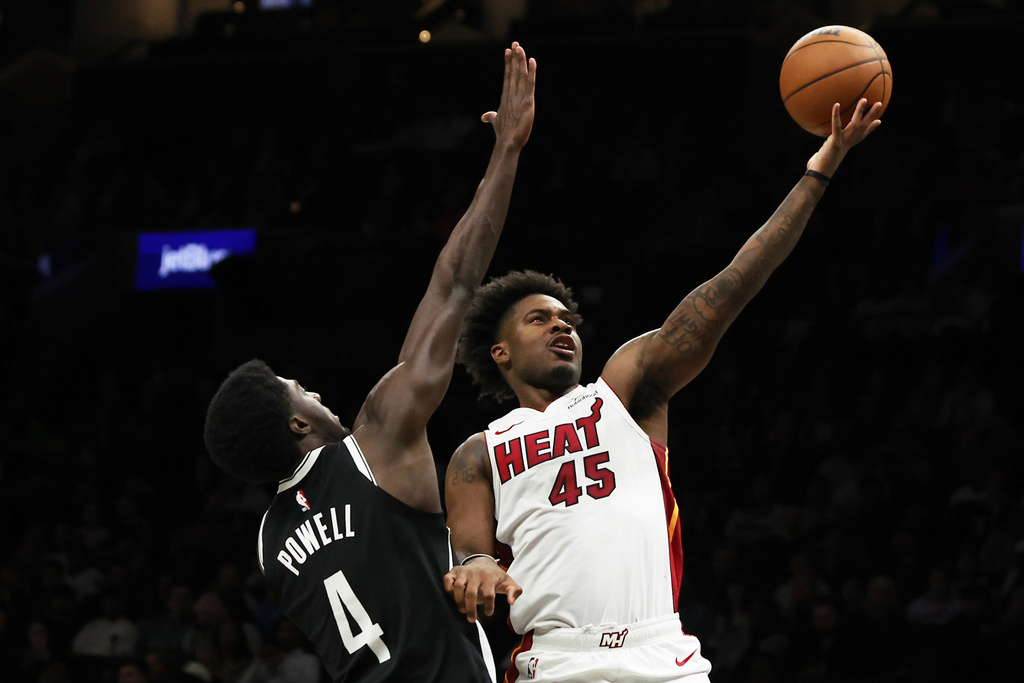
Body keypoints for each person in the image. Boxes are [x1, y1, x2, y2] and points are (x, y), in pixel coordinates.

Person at [443, 99, 884, 682]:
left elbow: (729, 287)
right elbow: (470, 552)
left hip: (660, 655)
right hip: (554, 660)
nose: (561, 326)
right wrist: (475, 567)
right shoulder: (478, 452)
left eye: (567, 319)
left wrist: (818, 171)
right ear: (499, 352)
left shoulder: (622, 393)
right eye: (539, 319)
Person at [202, 41, 535, 682]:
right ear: (297, 425)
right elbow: (455, 284)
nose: (314, 391)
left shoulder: (271, 547)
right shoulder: (373, 441)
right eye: (297, 390)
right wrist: (506, 152)